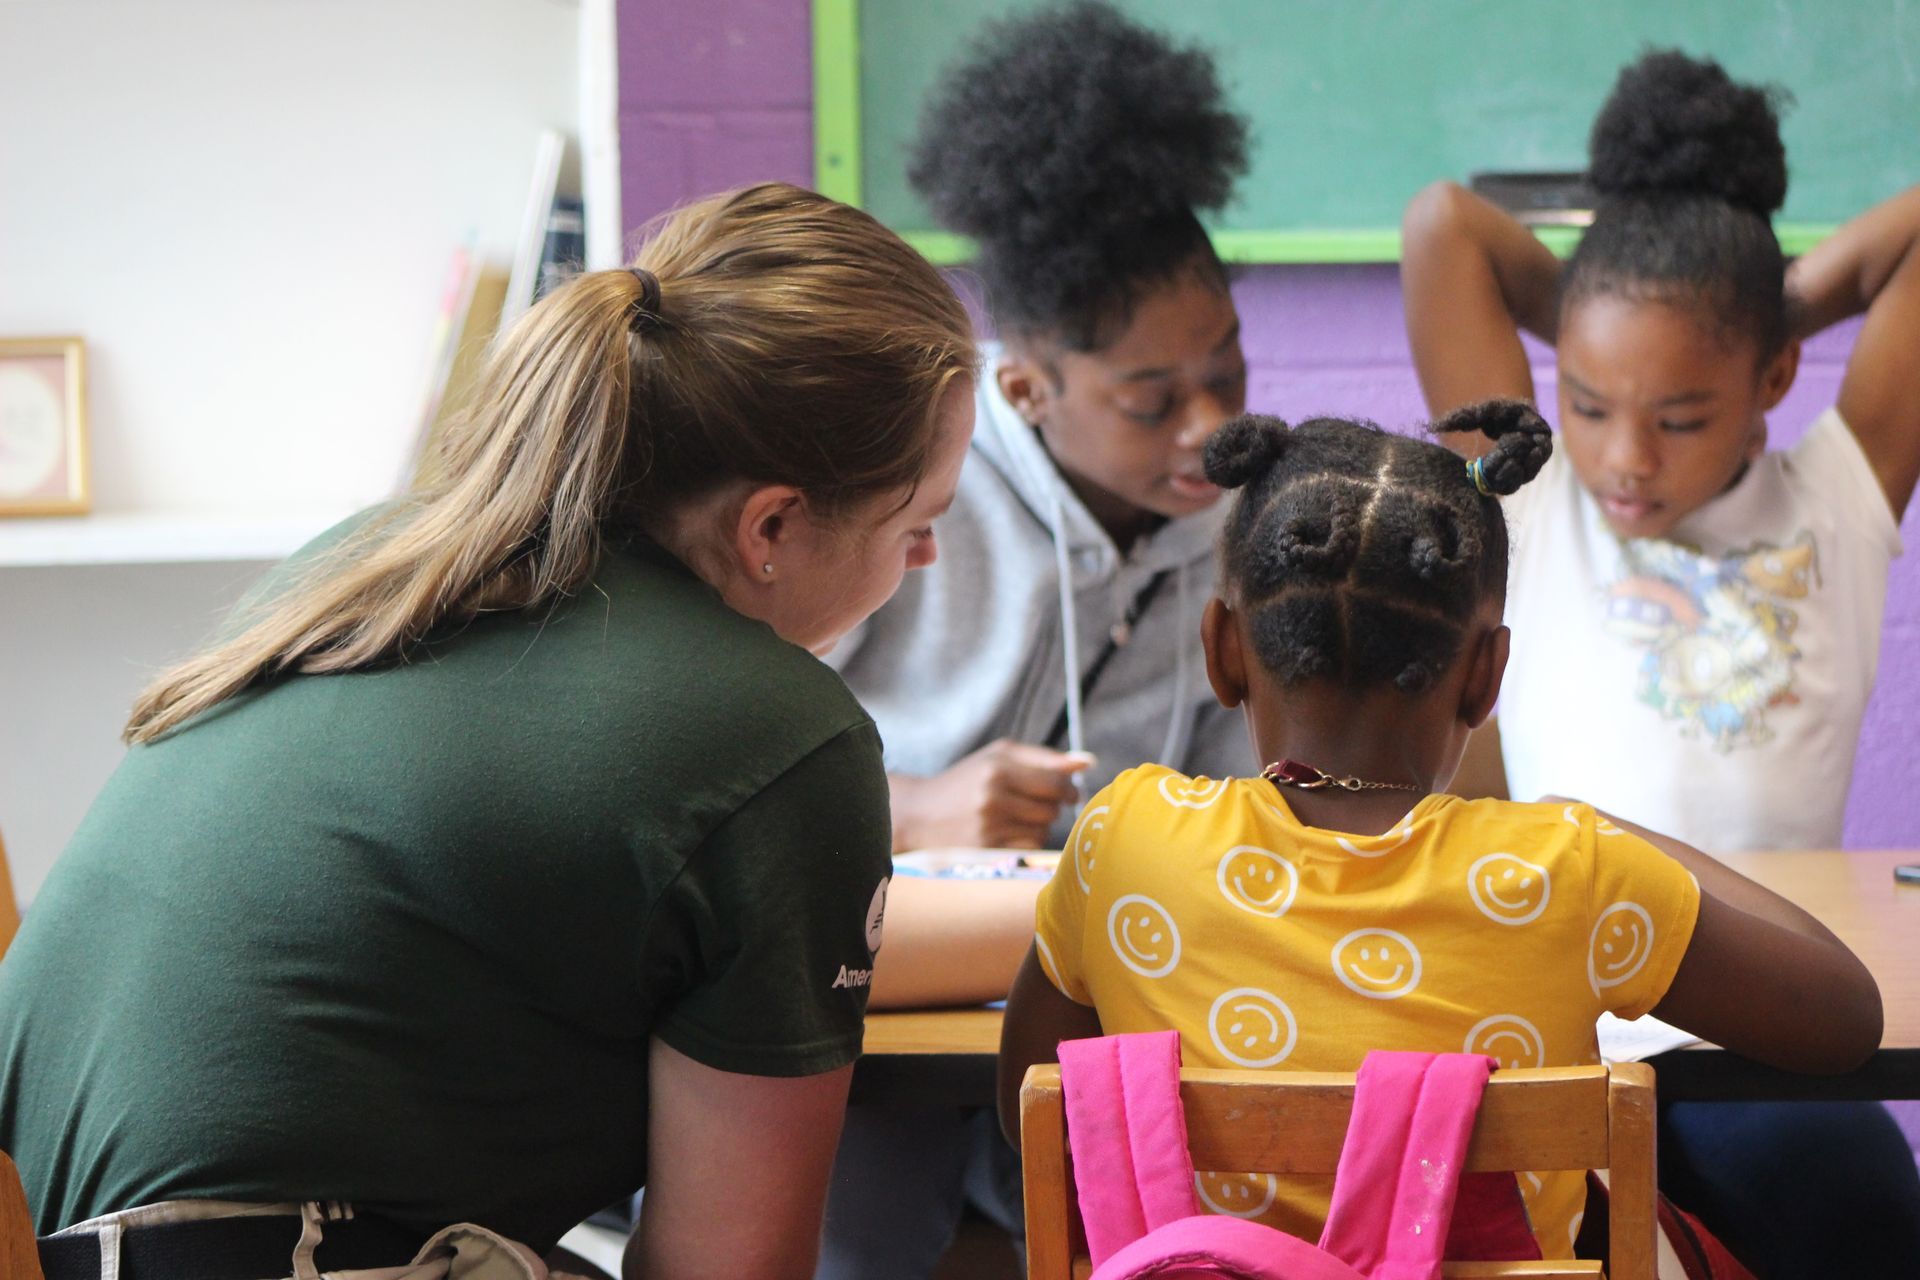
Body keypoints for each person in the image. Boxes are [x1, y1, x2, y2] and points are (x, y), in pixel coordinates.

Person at [0, 181, 978, 1280]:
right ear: (774, 525)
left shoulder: (369, 566)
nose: (927, 559)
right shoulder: (780, 733)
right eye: (917, 522)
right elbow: (729, 1267)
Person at [997, 406, 1884, 1265]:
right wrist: (1597, 826)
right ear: (1487, 676)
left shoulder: (1122, 839)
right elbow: (1844, 1018)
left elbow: (1032, 1114)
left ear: (1223, 651)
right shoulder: (1567, 869)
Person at [1399, 50, 1920, 1276]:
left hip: (1763, 1038)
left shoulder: (1837, 500)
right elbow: (1443, 226)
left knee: (1873, 1226)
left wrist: (1757, 302)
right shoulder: (1527, 497)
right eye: (1588, 403)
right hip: (1560, 1038)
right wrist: (1628, 305)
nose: (1626, 455)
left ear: (1773, 378)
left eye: (1681, 414)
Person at [814, 5, 1254, 1276]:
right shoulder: (905, 498)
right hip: (877, 1002)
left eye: (1227, 369)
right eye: (1152, 400)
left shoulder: (1237, 529)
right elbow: (715, 777)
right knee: (864, 1231)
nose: (1210, 424)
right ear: (1025, 388)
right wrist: (912, 805)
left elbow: (1244, 798)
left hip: (1099, 1015)